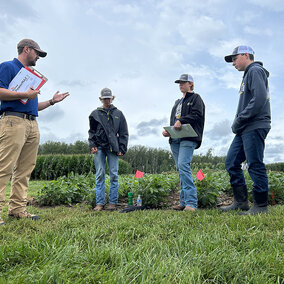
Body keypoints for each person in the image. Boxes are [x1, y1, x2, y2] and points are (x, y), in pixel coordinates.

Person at [0, 39, 69, 225]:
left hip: (31, 123)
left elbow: (32, 105)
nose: (38, 56)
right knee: (4, 167)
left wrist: (52, 101)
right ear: (26, 49)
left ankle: (17, 209)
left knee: (25, 169)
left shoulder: (31, 77)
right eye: (37, 53)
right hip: (13, 121)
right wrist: (24, 94)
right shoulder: (7, 67)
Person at [220, 46, 271, 215]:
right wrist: (240, 123)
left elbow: (260, 99)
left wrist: (240, 119)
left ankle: (261, 206)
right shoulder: (247, 75)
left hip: (254, 124)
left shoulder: (255, 70)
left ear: (246, 55)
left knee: (254, 164)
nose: (233, 63)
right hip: (244, 128)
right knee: (232, 162)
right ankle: (240, 202)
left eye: (235, 58)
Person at [162, 74, 205, 211]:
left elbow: (197, 115)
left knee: (183, 165)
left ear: (191, 84)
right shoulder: (177, 102)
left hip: (188, 137)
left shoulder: (196, 99)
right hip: (175, 139)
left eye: (183, 82)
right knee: (180, 169)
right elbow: (174, 120)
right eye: (179, 83)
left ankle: (191, 203)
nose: (181, 85)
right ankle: (183, 201)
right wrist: (169, 130)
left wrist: (183, 120)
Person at [88, 88, 128, 211]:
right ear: (101, 99)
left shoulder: (118, 114)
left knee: (114, 175)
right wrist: (92, 144)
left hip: (113, 148)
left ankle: (112, 202)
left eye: (109, 98)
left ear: (112, 98)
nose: (107, 100)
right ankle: (99, 203)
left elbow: (123, 132)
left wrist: (122, 148)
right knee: (99, 174)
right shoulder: (95, 114)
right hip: (99, 147)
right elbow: (92, 131)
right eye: (104, 98)